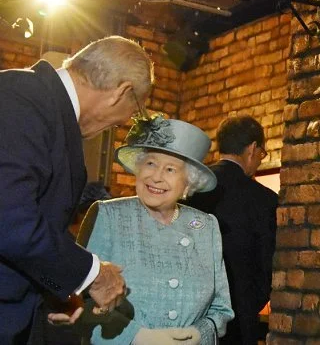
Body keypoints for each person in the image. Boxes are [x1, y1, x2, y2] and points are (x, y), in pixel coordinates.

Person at [0, 35, 153, 344]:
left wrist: (59, 287)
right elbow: (10, 220)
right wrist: (92, 273)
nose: (124, 122)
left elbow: (35, 219)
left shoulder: (42, 106)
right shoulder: (21, 96)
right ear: (121, 92)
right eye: (134, 110)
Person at [72, 116, 234, 345]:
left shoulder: (206, 226)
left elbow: (221, 308)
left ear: (188, 182)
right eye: (150, 163)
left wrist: (198, 335)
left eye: (170, 169)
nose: (156, 177)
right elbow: (79, 299)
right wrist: (137, 337)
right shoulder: (107, 215)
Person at [187, 115, 278, 345]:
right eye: (261, 154)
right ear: (252, 148)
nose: (259, 161)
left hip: (188, 313)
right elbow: (268, 266)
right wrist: (246, 306)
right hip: (238, 317)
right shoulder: (265, 200)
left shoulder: (191, 186)